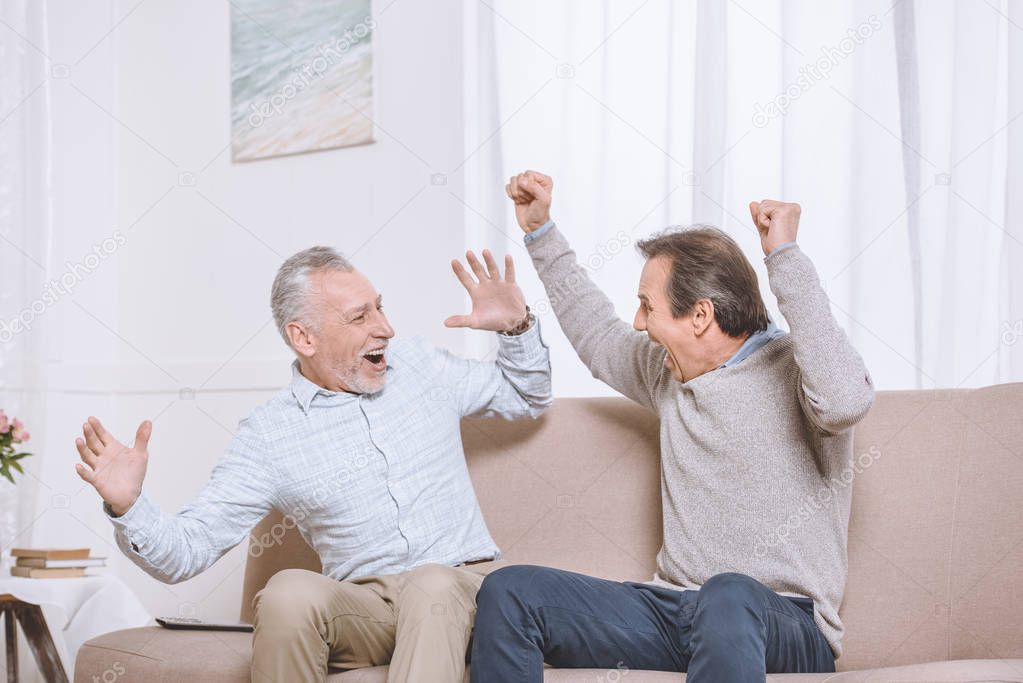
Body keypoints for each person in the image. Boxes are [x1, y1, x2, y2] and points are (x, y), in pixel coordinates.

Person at [73, 245, 552, 683]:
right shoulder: (270, 435)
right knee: (288, 592)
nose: (384, 327)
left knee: (433, 584)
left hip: (468, 590)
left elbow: (526, 397)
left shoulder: (422, 366)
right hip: (370, 608)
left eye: (380, 307)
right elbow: (187, 550)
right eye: (360, 316)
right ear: (304, 338)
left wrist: (517, 327)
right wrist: (130, 507)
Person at [470, 171, 874, 683]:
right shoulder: (667, 373)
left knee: (728, 594)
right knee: (510, 592)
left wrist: (785, 257)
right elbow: (597, 333)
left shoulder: (799, 371)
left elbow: (846, 400)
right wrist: (541, 231)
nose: (639, 323)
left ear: (700, 315)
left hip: (783, 620)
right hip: (673, 610)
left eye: (647, 306)